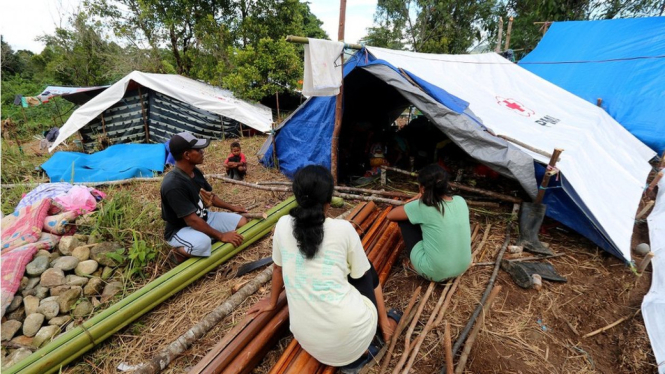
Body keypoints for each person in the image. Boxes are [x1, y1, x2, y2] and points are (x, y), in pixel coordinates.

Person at [248, 165, 399, 371]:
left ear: (297, 196)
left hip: (306, 339)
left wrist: (273, 302)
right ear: (329, 200)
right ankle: (379, 330)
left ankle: (364, 340)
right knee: (365, 270)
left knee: (350, 268)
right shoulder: (343, 229)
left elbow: (277, 269)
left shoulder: (283, 224)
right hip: (352, 338)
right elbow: (365, 278)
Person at [161, 132, 248, 264]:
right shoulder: (173, 184)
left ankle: (206, 235)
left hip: (204, 218)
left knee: (242, 222)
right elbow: (192, 221)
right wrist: (221, 236)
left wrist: (232, 207)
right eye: (198, 149)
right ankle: (178, 251)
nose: (202, 152)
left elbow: (210, 197)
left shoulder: (194, 171)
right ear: (187, 155)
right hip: (181, 229)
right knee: (203, 244)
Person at [387, 164, 471, 282]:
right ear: (446, 184)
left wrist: (420, 198)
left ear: (422, 188)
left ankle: (414, 264)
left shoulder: (423, 206)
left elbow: (391, 215)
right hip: (462, 266)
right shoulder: (460, 201)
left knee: (406, 221)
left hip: (436, 273)